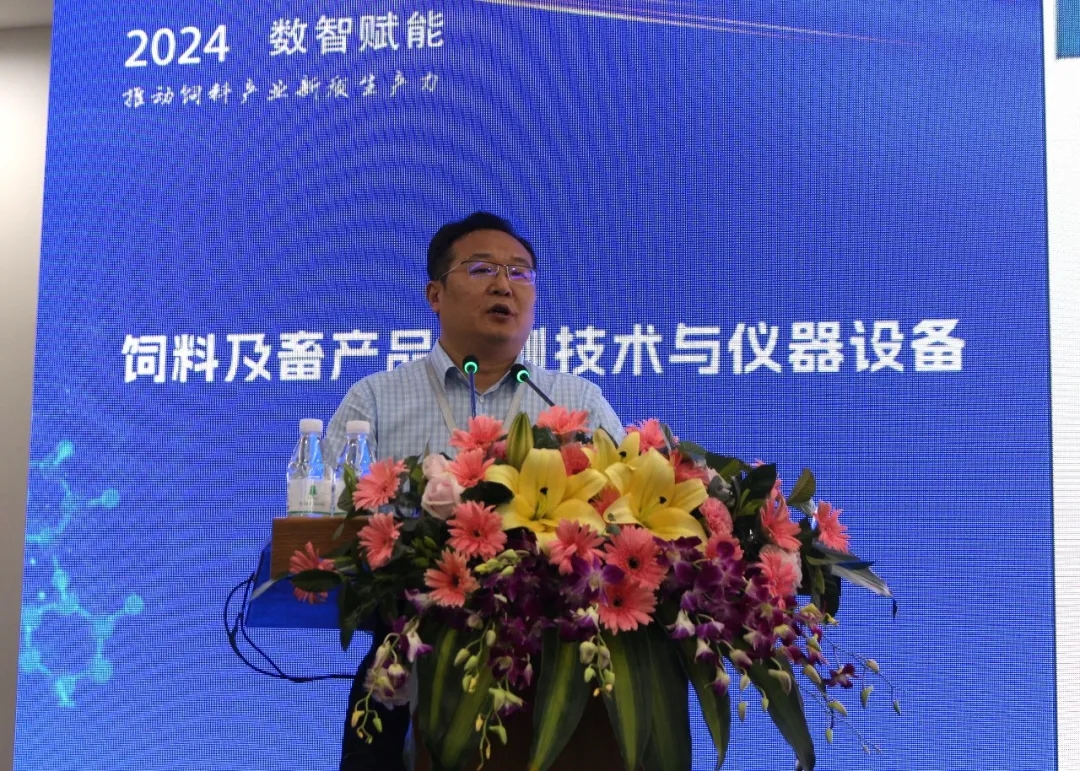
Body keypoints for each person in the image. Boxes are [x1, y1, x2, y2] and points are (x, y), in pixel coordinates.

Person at [325, 212, 624, 771]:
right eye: (483, 269)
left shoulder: (575, 401)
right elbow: (332, 522)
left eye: (520, 272)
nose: (504, 285)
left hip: (557, 662)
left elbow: (624, 518)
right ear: (435, 294)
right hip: (407, 651)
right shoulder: (375, 401)